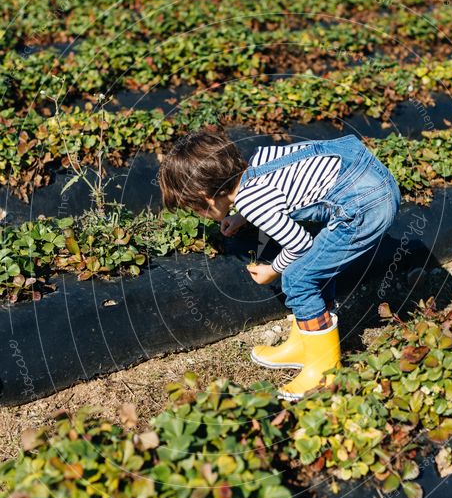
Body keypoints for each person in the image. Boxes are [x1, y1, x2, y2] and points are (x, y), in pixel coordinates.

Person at [159, 129, 401, 400]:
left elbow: (300, 244)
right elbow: (272, 195)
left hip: (366, 204)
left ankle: (324, 371)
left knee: (298, 278)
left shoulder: (252, 204)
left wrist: (272, 270)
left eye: (196, 209)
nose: (199, 215)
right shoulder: (257, 162)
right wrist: (241, 218)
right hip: (368, 177)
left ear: (206, 196)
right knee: (315, 266)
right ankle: (303, 345)